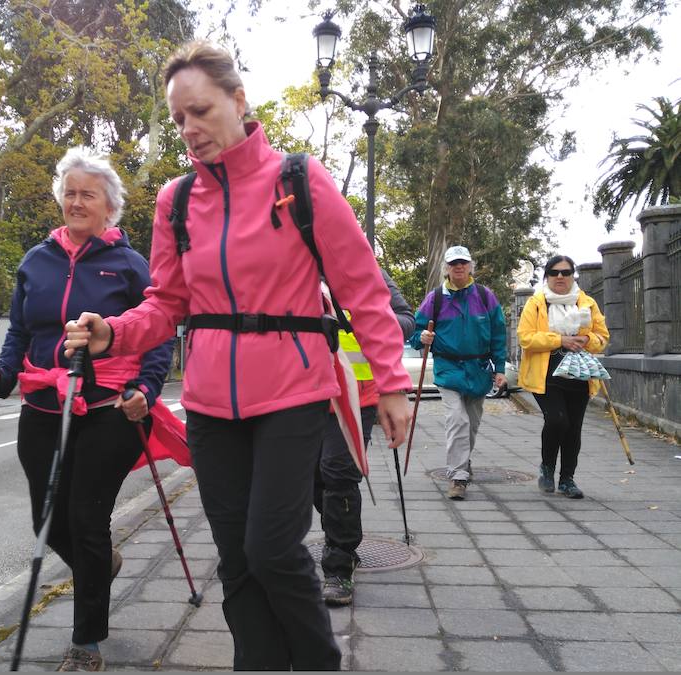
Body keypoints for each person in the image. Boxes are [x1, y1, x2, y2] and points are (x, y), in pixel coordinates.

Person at [63, 41, 412, 671]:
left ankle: (315, 663)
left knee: (273, 548)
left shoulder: (298, 181)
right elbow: (166, 302)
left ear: (238, 99)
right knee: (235, 557)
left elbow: (362, 288)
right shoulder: (175, 202)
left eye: (200, 111)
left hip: (293, 392)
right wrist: (112, 332)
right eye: (178, 119)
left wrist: (389, 382)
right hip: (209, 405)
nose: (190, 130)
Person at [0, 147, 174, 672]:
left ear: (110, 207)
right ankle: (99, 568)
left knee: (87, 518)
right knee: (49, 519)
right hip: (42, 405)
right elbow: (19, 332)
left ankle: (86, 641)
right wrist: (1, 374)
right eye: (70, 192)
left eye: (88, 194)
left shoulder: (129, 266)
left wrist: (146, 389)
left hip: (109, 408)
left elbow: (156, 334)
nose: (76, 201)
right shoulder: (36, 261)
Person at [315, 270, 415, 606]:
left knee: (338, 472)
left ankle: (339, 563)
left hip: (357, 392)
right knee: (310, 478)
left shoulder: (364, 266)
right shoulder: (288, 259)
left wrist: (363, 319)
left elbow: (406, 320)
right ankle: (338, 537)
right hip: (302, 389)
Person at [410, 245, 507, 501]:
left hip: (478, 370)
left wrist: (500, 369)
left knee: (472, 424)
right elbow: (415, 333)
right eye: (454, 264)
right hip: (449, 368)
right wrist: (422, 337)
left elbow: (498, 334)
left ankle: (463, 462)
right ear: (447, 268)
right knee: (458, 420)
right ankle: (458, 476)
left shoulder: (486, 297)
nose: (459, 267)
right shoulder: (435, 299)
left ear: (470, 266)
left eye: (463, 262)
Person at [517, 254, 609, 499]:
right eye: (555, 272)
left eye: (566, 272)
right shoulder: (536, 303)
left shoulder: (587, 303)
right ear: (547, 275)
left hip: (580, 375)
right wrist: (560, 340)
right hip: (545, 375)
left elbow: (602, 337)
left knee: (573, 428)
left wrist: (587, 339)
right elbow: (525, 337)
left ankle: (567, 479)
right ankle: (547, 467)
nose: (560, 277)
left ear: (572, 276)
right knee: (558, 420)